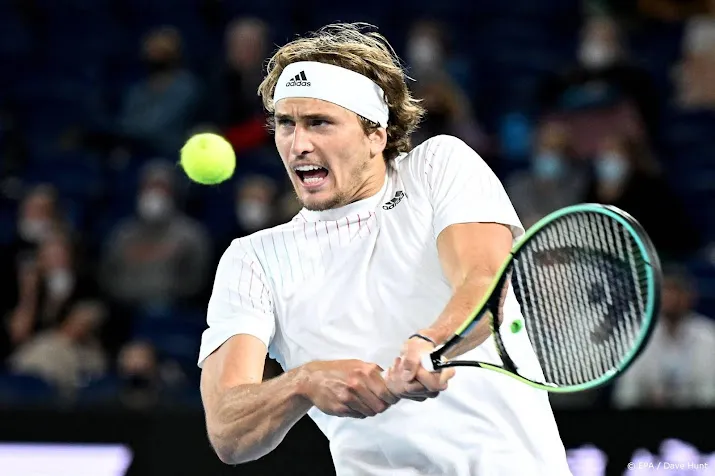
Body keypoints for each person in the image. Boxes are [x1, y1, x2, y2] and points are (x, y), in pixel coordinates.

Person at [197, 23, 572, 476]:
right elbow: (228, 431)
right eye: (286, 124)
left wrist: (432, 343)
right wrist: (302, 382)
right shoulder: (253, 260)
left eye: (319, 122)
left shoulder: (438, 167)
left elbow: (485, 281)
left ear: (376, 133)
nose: (298, 145)